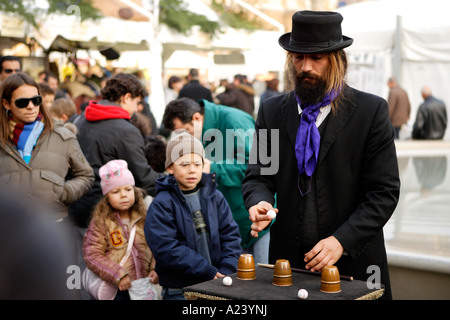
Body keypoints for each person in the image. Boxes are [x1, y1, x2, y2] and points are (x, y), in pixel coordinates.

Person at [241, 10, 400, 300]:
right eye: (299, 57)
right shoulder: (271, 110)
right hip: (289, 267)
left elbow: (384, 193)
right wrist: (260, 202)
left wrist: (342, 240)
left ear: (338, 60)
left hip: (356, 265)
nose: (306, 67)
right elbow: (258, 175)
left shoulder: (371, 112)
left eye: (317, 58)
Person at [162, 97, 271, 264]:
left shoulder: (235, 121)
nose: (186, 138)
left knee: (261, 280)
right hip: (229, 219)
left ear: (197, 118)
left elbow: (259, 167)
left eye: (187, 132)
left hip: (255, 215)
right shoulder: (203, 129)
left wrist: (213, 169)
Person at [144, 131, 241, 300]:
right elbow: (166, 248)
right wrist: (205, 269)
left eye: (197, 164)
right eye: (184, 164)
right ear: (170, 168)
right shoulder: (162, 203)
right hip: (179, 290)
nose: (192, 170)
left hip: (218, 284)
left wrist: (227, 269)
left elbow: (231, 235)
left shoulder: (215, 196)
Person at [68, 72, 164, 230]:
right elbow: (142, 178)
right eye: (136, 102)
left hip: (75, 207)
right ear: (126, 97)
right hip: (107, 212)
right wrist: (173, 183)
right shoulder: (126, 130)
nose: (136, 108)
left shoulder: (80, 119)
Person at [0, 73, 94, 220]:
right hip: (8, 227)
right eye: (22, 102)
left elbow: (86, 175)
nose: (31, 106)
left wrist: (63, 192)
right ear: (6, 104)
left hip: (52, 221)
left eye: (36, 100)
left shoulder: (62, 135)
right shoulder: (3, 138)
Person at [83, 159, 158, 300]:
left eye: (128, 189)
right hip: (116, 289)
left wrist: (155, 268)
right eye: (116, 191)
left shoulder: (145, 218)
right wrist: (118, 275)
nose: (123, 195)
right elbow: (92, 255)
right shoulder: (101, 223)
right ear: (107, 198)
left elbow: (155, 245)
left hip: (142, 286)